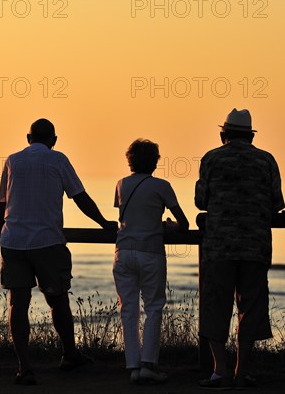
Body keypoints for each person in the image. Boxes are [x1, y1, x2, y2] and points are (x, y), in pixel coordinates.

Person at [0, 118, 118, 385]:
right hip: (47, 241)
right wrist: (103, 223)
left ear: (28, 138)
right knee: (57, 299)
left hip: (13, 241)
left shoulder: (12, 160)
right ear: (54, 140)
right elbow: (79, 196)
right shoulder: (58, 160)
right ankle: (70, 354)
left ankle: (24, 368)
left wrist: (0, 223)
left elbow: (2, 202)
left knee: (18, 304)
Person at [195, 109, 285, 389]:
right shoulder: (266, 160)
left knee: (215, 307)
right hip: (255, 246)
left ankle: (219, 370)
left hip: (218, 246)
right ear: (250, 136)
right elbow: (277, 202)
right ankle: (241, 371)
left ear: (224, 135)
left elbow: (201, 201)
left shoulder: (211, 158)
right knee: (252, 308)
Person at [113, 139, 189, 384]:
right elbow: (184, 224)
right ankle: (149, 364)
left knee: (128, 309)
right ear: (155, 161)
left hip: (123, 252)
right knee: (154, 307)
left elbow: (127, 215)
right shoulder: (162, 186)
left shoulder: (121, 184)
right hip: (151, 252)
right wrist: (169, 225)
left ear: (130, 161)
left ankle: (133, 366)